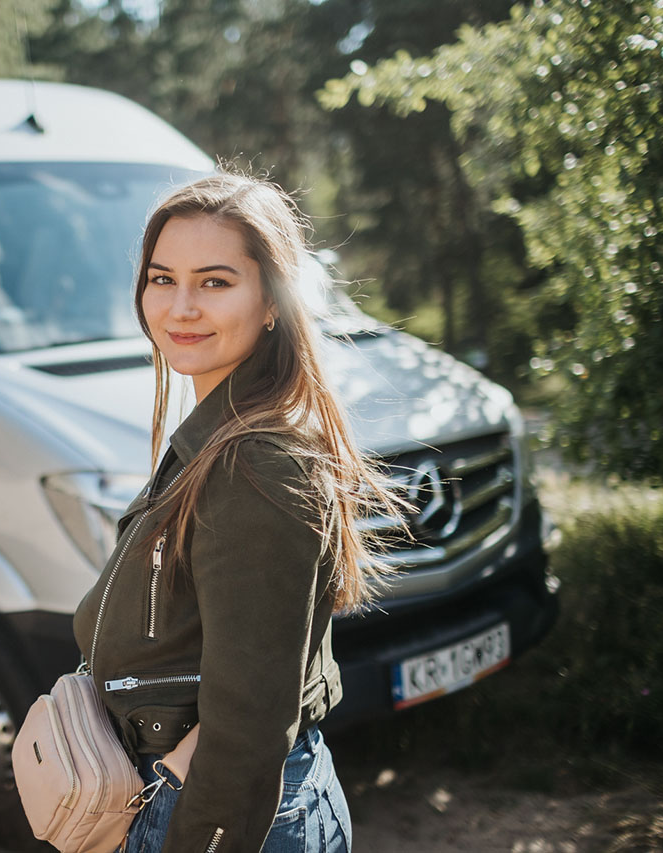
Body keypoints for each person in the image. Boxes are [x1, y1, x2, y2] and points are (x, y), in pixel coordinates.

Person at [70, 172, 401, 853]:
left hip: (217, 814)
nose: (180, 306)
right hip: (179, 792)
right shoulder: (217, 428)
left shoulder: (255, 465)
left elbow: (249, 729)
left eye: (214, 282)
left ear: (273, 301)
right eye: (162, 279)